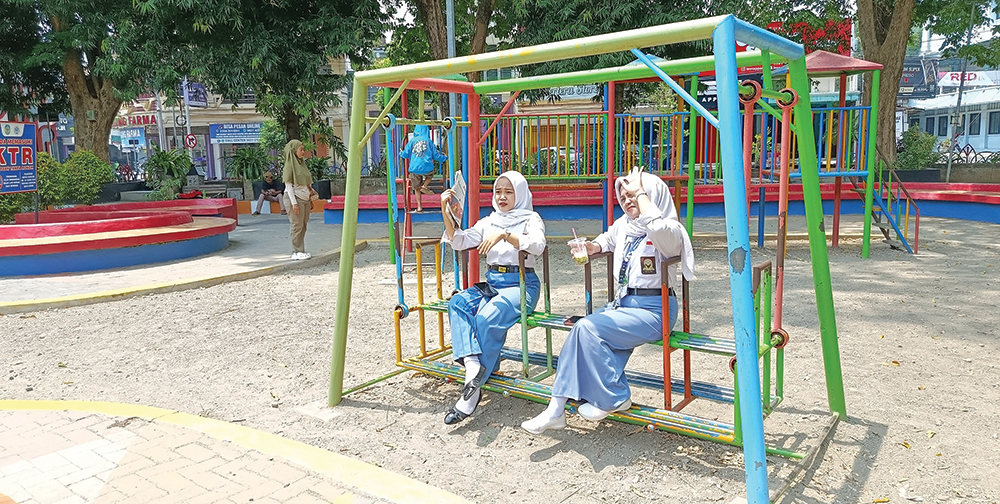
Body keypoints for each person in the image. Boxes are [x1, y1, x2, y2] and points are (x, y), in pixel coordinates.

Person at [521, 168, 695, 435]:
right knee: (579, 331)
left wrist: (640, 193)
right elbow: (607, 239)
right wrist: (592, 247)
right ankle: (555, 409)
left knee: (589, 329)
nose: (627, 200)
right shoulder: (624, 225)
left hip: (655, 309)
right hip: (624, 304)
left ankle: (615, 397)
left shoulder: (668, 229)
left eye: (635, 194)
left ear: (652, 194)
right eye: (623, 196)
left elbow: (657, 227)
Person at [440, 171, 546, 425]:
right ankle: (473, 365)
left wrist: (505, 235)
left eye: (508, 192)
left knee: (486, 318)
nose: (502, 197)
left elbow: (538, 245)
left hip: (521, 284)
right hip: (493, 283)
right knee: (458, 303)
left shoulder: (530, 218)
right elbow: (460, 240)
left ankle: (472, 392)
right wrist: (446, 211)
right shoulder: (489, 220)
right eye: (498, 191)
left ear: (520, 193)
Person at [281, 139, 318, 261]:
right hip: (294, 198)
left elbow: (306, 184)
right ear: (293, 150)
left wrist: (310, 198)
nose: (303, 151)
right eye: (300, 149)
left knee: (303, 225)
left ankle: (301, 250)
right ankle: (296, 251)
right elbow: (288, 186)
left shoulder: (302, 164)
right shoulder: (289, 166)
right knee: (296, 225)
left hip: (304, 199)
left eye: (303, 149)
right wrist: (294, 203)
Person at [400, 125, 448, 212]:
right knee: (430, 175)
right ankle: (425, 185)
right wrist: (444, 158)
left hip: (414, 168)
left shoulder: (412, 141)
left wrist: (401, 153)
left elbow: (405, 154)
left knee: (416, 188)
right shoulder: (429, 141)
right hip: (427, 166)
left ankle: (419, 207)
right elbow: (435, 156)